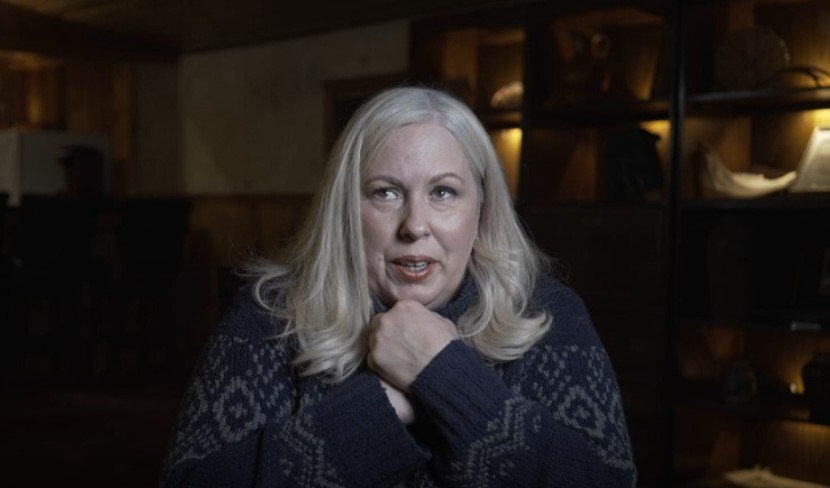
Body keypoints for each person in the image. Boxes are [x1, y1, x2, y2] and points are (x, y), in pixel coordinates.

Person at [161, 87, 636, 487]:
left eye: (443, 192)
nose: (414, 225)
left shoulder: (547, 314)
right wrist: (382, 405)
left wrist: (444, 375)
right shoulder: (272, 314)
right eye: (385, 192)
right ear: (346, 207)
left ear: (481, 207)